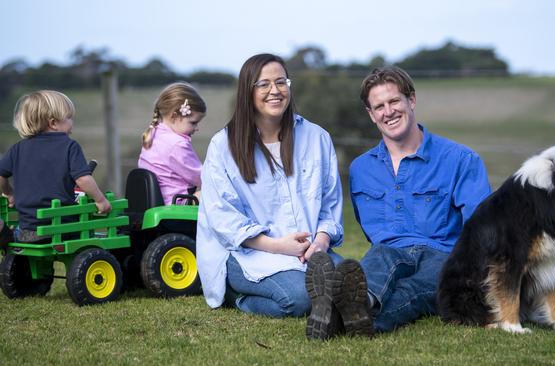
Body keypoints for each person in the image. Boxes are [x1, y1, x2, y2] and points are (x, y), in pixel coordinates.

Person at [305, 66, 492, 338]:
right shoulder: (361, 169)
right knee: (382, 254)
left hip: (444, 258)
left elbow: (482, 230)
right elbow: (372, 232)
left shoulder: (461, 160)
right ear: (371, 115)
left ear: (411, 100)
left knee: (416, 289)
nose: (388, 111)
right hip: (388, 252)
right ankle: (361, 305)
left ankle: (337, 315)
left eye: (394, 101)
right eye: (379, 106)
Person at [196, 54, 344, 322]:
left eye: (281, 82)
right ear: (247, 92)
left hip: (309, 253)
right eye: (263, 84)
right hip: (249, 253)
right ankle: (237, 296)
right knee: (300, 299)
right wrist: (279, 246)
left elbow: (330, 203)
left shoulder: (317, 137)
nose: (274, 91)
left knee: (355, 284)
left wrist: (321, 241)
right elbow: (223, 220)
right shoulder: (223, 146)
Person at [0, 90, 111, 244]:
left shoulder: (17, 148)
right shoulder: (70, 146)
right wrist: (100, 200)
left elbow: (1, 175)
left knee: (17, 232)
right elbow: (83, 179)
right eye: (69, 118)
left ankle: (6, 234)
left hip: (28, 232)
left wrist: (9, 192)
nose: (72, 122)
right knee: (87, 232)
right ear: (53, 123)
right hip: (65, 230)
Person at [138, 82, 206, 205]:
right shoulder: (177, 144)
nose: (197, 128)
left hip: (154, 203)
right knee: (213, 195)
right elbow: (200, 176)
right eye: (193, 122)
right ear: (174, 116)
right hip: (176, 205)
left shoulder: (153, 134)